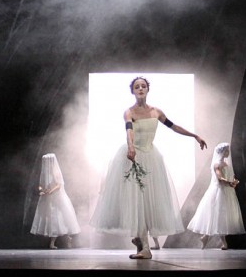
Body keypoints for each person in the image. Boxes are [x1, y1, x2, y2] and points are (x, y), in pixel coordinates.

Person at [88, 76, 208, 260]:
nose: (141, 89)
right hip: (133, 156)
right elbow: (129, 131)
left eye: (143, 86)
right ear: (133, 91)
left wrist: (194, 136)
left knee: (145, 201)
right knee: (135, 201)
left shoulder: (156, 112)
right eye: (137, 87)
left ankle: (143, 245)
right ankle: (142, 244)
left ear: (147, 89)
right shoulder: (129, 112)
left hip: (151, 157)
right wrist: (130, 148)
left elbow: (173, 126)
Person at [186, 142, 245, 250]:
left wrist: (234, 181)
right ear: (222, 152)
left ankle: (206, 238)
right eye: (227, 150)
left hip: (227, 192)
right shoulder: (217, 164)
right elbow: (220, 178)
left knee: (220, 216)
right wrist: (230, 183)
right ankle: (222, 242)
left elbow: (230, 176)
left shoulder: (226, 164)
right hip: (219, 192)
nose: (228, 152)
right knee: (218, 215)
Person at [30, 153, 81, 249]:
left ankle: (63, 239)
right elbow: (40, 184)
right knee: (51, 220)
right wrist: (41, 190)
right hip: (48, 198)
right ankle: (53, 242)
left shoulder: (55, 171)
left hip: (57, 198)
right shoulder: (44, 172)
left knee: (59, 218)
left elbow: (59, 184)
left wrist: (50, 191)